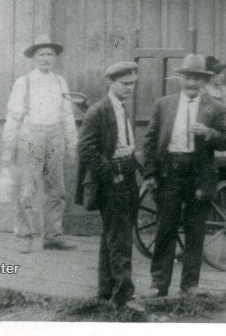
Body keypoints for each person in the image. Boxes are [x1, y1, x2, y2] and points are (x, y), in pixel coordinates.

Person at [141, 54, 226, 297]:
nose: (192, 83)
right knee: (165, 229)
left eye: (197, 79)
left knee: (195, 231)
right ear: (181, 78)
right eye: (188, 77)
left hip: (198, 175)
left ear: (203, 80)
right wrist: (149, 173)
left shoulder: (215, 107)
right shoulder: (164, 104)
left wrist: (208, 133)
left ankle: (190, 285)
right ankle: (159, 284)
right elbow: (149, 141)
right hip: (169, 172)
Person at [76, 61, 145, 314]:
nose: (129, 88)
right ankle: (124, 297)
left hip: (126, 174)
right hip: (112, 180)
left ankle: (106, 291)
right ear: (110, 82)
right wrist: (110, 174)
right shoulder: (98, 111)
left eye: (132, 84)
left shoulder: (121, 109)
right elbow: (86, 151)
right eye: (125, 84)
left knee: (112, 237)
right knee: (121, 238)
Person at [1, 34, 78, 253]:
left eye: (50, 55)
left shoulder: (60, 81)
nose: (46, 59)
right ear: (34, 58)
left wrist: (72, 143)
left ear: (55, 58)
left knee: (56, 189)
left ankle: (52, 236)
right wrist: (8, 148)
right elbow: (13, 116)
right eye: (42, 55)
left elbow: (67, 115)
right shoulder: (23, 82)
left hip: (55, 137)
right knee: (26, 189)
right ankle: (24, 236)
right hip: (31, 138)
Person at [204, 56, 226, 128]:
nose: (221, 76)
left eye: (222, 73)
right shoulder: (203, 91)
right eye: (217, 73)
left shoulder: (224, 90)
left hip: (224, 128)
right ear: (209, 75)